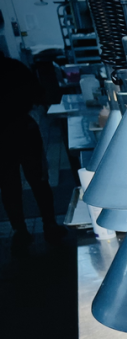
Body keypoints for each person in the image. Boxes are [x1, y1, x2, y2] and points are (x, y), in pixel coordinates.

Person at [0, 50, 63, 247]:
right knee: (39, 180)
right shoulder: (14, 67)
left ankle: (20, 230)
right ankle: (50, 224)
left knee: (9, 185)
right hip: (23, 128)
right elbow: (37, 93)